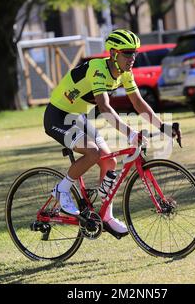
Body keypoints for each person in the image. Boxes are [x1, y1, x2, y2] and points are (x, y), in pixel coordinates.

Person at [43, 29, 181, 236]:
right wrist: (130, 133)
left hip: (78, 117)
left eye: (134, 53)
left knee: (109, 161)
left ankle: (105, 215)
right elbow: (105, 109)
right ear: (114, 53)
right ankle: (61, 190)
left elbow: (138, 102)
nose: (132, 58)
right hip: (57, 115)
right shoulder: (99, 69)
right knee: (92, 152)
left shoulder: (125, 73)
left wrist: (162, 126)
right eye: (127, 53)